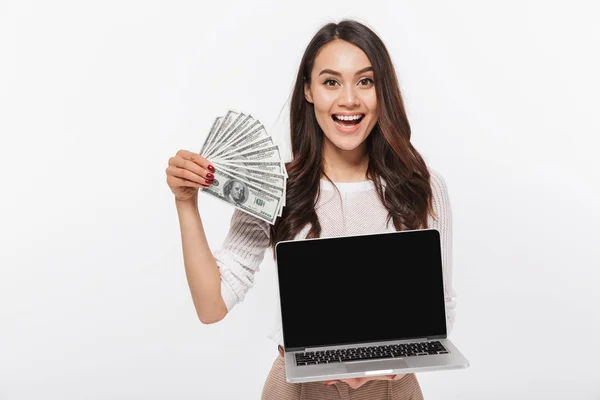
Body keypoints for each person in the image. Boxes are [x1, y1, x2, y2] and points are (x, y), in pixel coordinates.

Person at [165, 19, 456, 400]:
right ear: (308, 91)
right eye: (331, 82)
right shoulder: (275, 189)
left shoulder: (422, 187)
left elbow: (440, 309)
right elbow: (211, 306)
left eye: (365, 81)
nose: (349, 99)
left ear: (382, 91)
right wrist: (185, 203)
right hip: (298, 389)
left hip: (392, 387)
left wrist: (379, 363)